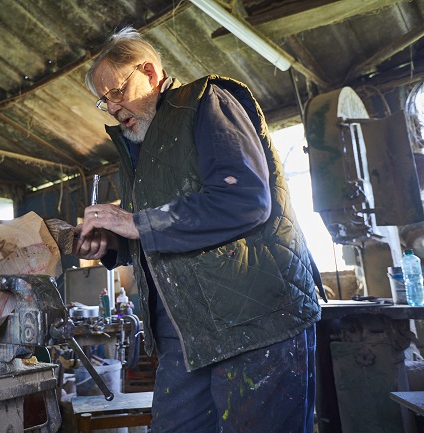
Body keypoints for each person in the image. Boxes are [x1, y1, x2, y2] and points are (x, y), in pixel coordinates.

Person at [73, 26, 325, 433]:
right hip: (185, 334)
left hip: (254, 320)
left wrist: (136, 222)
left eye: (116, 92)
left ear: (150, 73)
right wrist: (114, 245)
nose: (113, 107)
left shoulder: (205, 102)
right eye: (104, 101)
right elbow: (162, 230)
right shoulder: (139, 146)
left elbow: (243, 199)